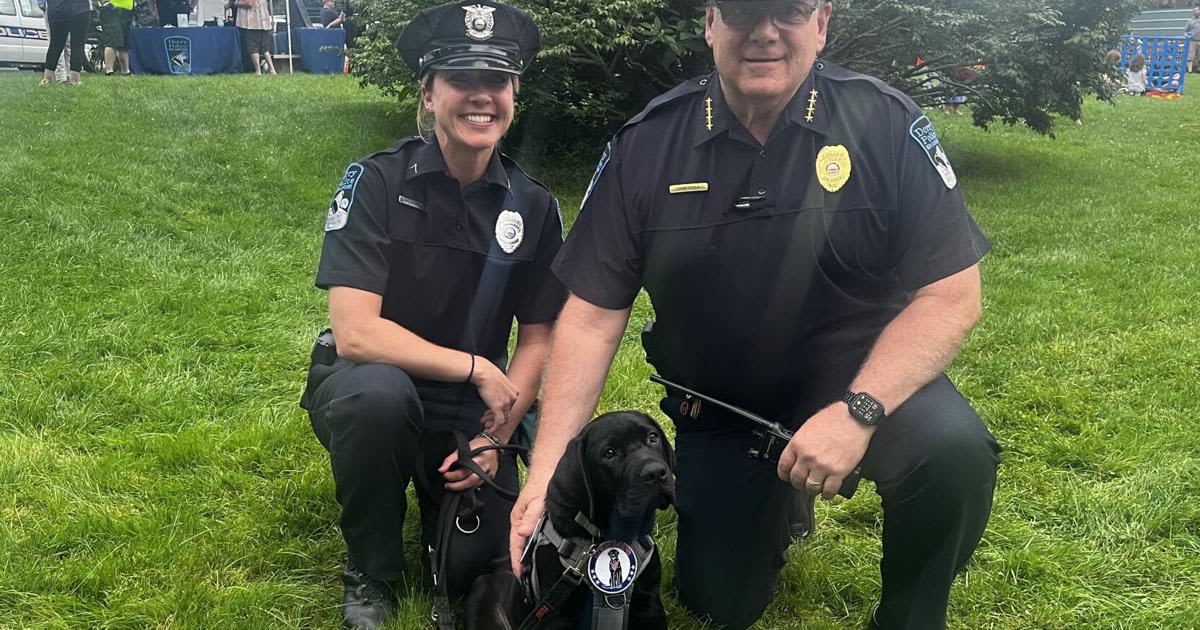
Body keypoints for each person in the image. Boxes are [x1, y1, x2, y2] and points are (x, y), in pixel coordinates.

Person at [509, 1, 1001, 629]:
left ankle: (911, 615)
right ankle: (777, 501)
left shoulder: (884, 124)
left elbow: (952, 296)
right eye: (743, 11)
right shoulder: (648, 144)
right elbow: (592, 317)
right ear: (711, 23)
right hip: (724, 412)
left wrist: (856, 414)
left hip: (860, 386)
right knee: (718, 600)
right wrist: (545, 477)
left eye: (788, 11)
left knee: (952, 453)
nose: (764, 32)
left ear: (821, 24)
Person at [301, 2, 561, 628]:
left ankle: (436, 509)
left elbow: (538, 337)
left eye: (496, 82)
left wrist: (497, 436)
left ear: (514, 94)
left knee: (482, 568)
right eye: (460, 80)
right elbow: (357, 332)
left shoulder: (535, 205)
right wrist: (473, 366)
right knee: (377, 398)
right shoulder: (375, 184)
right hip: (374, 385)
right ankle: (372, 571)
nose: (481, 98)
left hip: (471, 411)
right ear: (428, 92)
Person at [40, 0, 91, 86]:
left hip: (57, 9)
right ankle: (75, 80)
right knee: (77, 45)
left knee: (55, 45)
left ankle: (47, 79)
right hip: (79, 9)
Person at [229, 0, 275, 74]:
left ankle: (258, 71)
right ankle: (272, 69)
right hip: (264, 22)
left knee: (253, 48)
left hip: (252, 23)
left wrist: (234, 4)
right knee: (265, 49)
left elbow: (249, 3)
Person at [98, 0, 134, 75]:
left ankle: (126, 71)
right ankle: (109, 71)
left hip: (126, 11)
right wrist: (105, 3)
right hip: (111, 10)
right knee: (112, 40)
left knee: (124, 43)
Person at [1186, 6, 1200, 73]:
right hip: (1192, 41)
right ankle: (1190, 71)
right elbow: (1185, 32)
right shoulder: (1190, 21)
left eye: (1197, 10)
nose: (1196, 12)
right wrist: (1187, 36)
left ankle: (1199, 69)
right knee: (1190, 57)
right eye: (1194, 11)